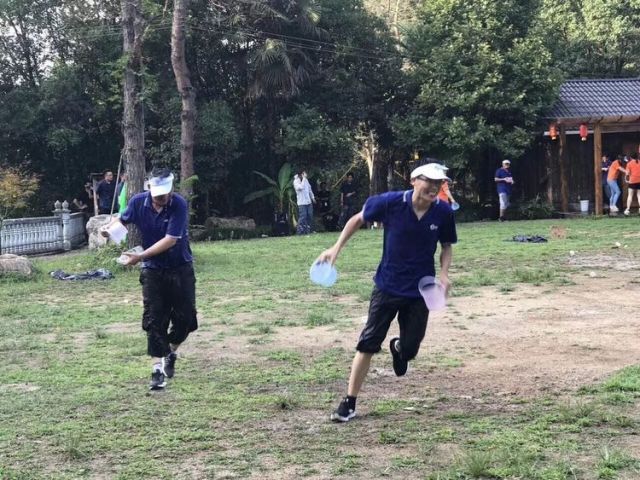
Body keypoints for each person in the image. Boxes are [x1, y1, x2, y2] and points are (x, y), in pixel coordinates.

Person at [316, 163, 457, 422]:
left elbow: (446, 245)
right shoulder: (390, 203)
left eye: (439, 183)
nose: (435, 187)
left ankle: (400, 348)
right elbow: (358, 219)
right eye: (430, 181)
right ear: (414, 180)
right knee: (367, 343)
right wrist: (335, 249)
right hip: (387, 286)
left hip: (420, 291)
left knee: (411, 349)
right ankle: (349, 402)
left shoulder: (443, 212)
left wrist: (445, 274)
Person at [101, 167, 197, 390]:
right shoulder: (138, 202)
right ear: (150, 189)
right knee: (154, 319)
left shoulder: (179, 204)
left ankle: (170, 352)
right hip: (153, 270)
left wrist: (140, 256)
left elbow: (171, 240)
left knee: (186, 320)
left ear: (171, 189)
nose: (162, 198)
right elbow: (122, 219)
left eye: (165, 193)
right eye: (158, 194)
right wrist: (109, 229)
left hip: (180, 267)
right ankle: (157, 370)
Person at [293, 169, 315, 235]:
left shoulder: (306, 180)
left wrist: (313, 197)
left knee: (310, 215)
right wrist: (304, 179)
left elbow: (309, 189)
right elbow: (300, 187)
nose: (306, 175)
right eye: (304, 173)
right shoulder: (295, 181)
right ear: (301, 174)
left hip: (308, 201)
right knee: (303, 216)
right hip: (301, 202)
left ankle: (307, 230)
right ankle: (299, 231)